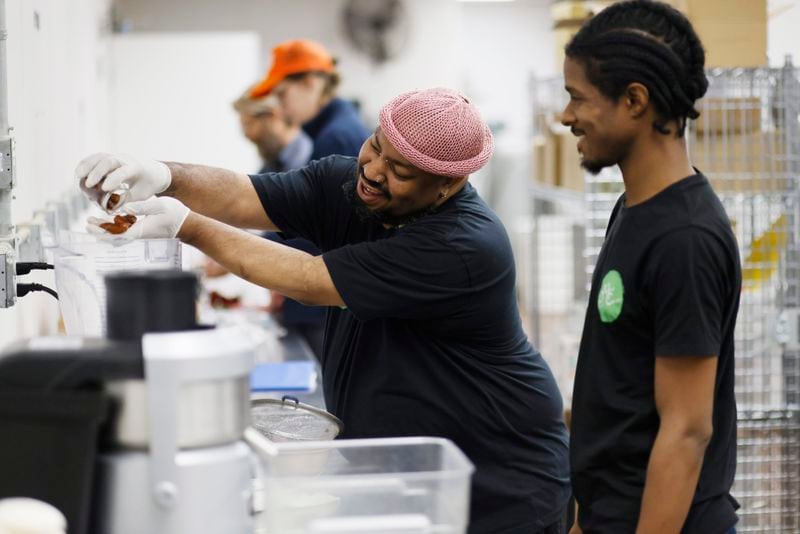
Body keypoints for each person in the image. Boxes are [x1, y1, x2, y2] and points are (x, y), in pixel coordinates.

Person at [75, 87, 571, 533]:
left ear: (447, 185)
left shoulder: (464, 244)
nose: (375, 172)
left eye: (401, 172)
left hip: (500, 480)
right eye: (377, 147)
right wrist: (162, 176)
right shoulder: (351, 187)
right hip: (408, 473)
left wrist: (189, 226)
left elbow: (312, 282)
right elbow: (245, 194)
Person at [560, 2, 741, 533]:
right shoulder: (635, 208)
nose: (566, 116)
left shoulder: (684, 238)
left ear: (634, 100)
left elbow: (687, 431)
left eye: (578, 98)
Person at [250, 39, 370, 161]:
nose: (279, 108)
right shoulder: (332, 129)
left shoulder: (336, 140)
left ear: (309, 82)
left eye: (282, 94)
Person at [232, 89, 312, 173]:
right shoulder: (268, 170)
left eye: (248, 124)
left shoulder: (317, 156)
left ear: (273, 116)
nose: (246, 134)